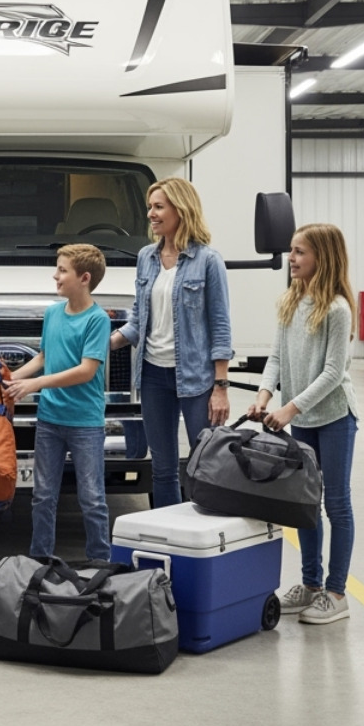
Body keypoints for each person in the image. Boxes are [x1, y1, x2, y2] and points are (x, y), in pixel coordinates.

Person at [248, 223, 360, 625]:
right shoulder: (290, 302)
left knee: (336, 503)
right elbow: (276, 358)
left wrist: (289, 410)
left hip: (334, 417)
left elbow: (333, 373)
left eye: (299, 252)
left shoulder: (338, 309)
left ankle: (336, 593)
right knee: (306, 503)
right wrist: (264, 396)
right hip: (302, 417)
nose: (291, 259)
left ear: (322, 258)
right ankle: (311, 585)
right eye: (291, 250)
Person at [110, 178, 233, 507]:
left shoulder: (208, 261)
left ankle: (204, 530)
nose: (151, 214)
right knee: (163, 469)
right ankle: (167, 533)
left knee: (205, 465)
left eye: (158, 207)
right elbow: (138, 321)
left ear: (181, 209)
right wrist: (102, 345)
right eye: (149, 207)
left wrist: (220, 386)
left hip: (196, 378)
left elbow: (220, 327)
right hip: (153, 375)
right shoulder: (146, 258)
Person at [5, 244, 113, 563]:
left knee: (92, 499)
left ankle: (99, 563)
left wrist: (35, 384)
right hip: (50, 420)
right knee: (42, 496)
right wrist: (9, 378)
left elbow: (86, 370)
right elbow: (43, 357)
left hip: (85, 424)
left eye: (63, 270)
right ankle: (40, 560)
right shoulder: (53, 313)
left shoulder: (97, 320)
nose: (56, 276)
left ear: (84, 278)